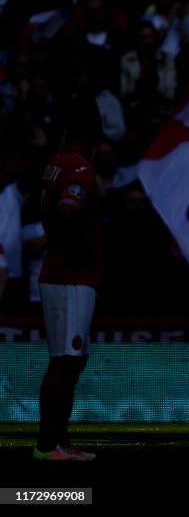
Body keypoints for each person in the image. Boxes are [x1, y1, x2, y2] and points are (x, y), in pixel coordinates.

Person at [33, 98, 103, 461]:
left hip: (65, 274)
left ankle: (60, 440)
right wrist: (80, 250)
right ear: (91, 129)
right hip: (69, 276)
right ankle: (48, 445)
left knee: (71, 359)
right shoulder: (78, 167)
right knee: (65, 359)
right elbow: (66, 210)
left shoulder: (56, 164)